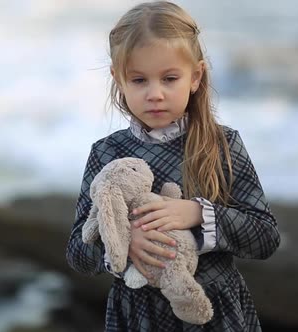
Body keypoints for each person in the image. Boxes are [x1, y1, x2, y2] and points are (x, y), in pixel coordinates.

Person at [65, 2, 281, 331]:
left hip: (214, 315)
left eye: (169, 78)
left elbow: (265, 237)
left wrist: (198, 214)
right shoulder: (106, 153)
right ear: (118, 78)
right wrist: (122, 242)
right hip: (138, 317)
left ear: (195, 76)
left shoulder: (222, 145)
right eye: (139, 80)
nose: (155, 94)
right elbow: (77, 252)